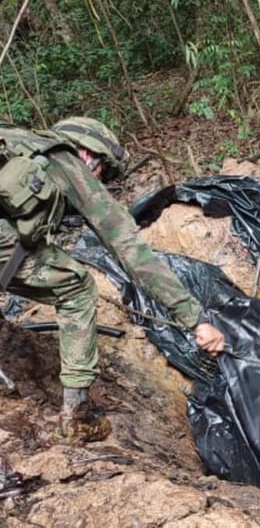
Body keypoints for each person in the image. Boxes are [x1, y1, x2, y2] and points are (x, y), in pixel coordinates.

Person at [0, 117, 225, 444]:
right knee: (76, 288)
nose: (99, 179)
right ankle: (78, 416)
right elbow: (131, 250)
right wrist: (197, 320)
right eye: (103, 172)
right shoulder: (66, 162)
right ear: (89, 154)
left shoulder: (16, 139)